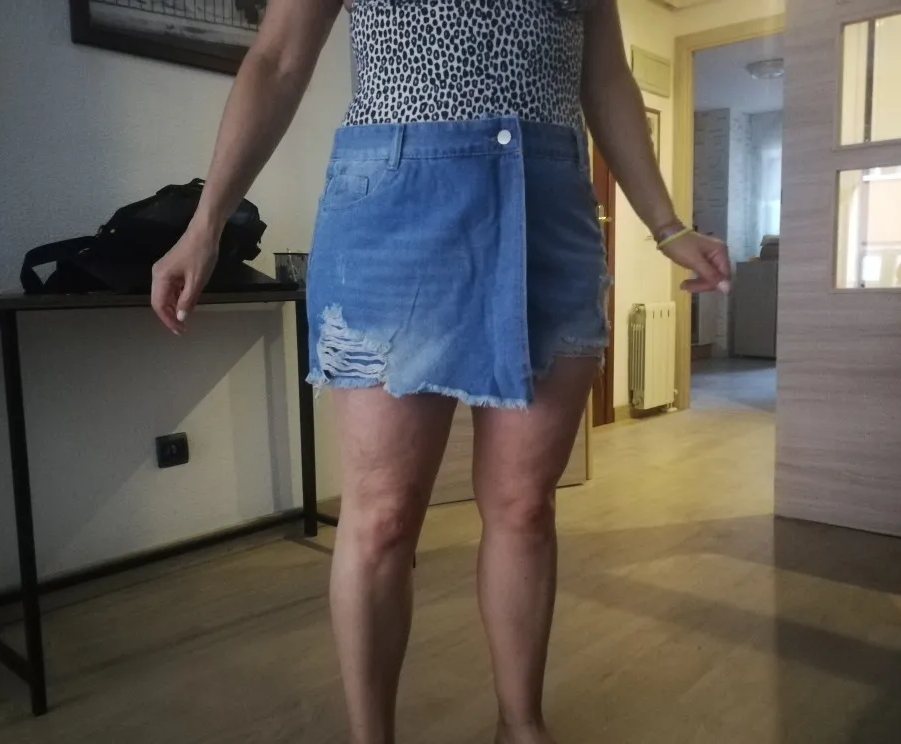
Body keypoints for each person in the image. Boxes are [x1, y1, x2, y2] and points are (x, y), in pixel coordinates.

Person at [150, 1, 731, 742]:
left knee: (525, 505)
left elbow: (606, 75)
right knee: (384, 516)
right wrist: (205, 224)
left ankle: (520, 726)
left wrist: (667, 226)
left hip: (549, 208)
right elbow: (277, 60)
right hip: (395, 205)